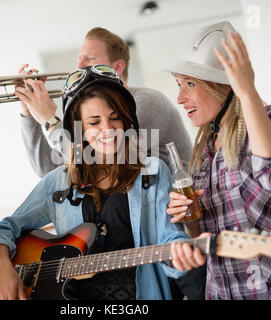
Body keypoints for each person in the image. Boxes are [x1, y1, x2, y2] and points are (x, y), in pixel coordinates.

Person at [15, 26, 206, 300]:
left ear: (116, 67)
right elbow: (53, 170)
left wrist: (49, 120)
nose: (78, 65)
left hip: (173, 219)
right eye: (79, 59)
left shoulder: (144, 103)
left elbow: (95, 153)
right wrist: (27, 114)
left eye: (88, 60)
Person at [165, 21, 271, 299]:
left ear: (222, 85)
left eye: (190, 84)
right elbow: (202, 235)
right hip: (223, 291)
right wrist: (189, 216)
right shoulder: (202, 148)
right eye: (179, 84)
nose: (180, 97)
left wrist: (246, 91)